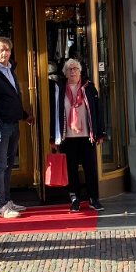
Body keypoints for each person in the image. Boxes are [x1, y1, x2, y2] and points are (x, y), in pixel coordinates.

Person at [0, 36, 33, 219]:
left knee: (9, 165)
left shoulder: (10, 70)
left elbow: (12, 98)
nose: (5, 53)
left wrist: (24, 116)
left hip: (13, 124)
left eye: (8, 49)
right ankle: (1, 206)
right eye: (1, 49)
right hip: (0, 127)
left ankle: (8, 200)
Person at [50, 57, 106, 212]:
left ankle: (93, 199)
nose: (72, 71)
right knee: (71, 170)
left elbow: (98, 110)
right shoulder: (59, 89)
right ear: (65, 73)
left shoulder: (89, 87)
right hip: (68, 137)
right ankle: (75, 199)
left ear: (80, 71)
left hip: (87, 136)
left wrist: (100, 133)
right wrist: (53, 137)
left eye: (75, 68)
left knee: (90, 169)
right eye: (69, 69)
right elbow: (54, 114)